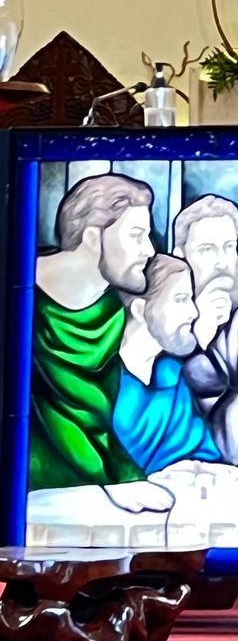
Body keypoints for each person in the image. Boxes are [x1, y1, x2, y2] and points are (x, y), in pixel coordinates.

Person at [31, 173, 157, 491]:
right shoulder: (24, 299)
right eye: (137, 236)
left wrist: (127, 480)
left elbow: (96, 423)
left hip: (90, 486)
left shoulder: (110, 312)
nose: (149, 250)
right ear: (92, 238)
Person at [174, 194, 238, 464]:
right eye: (207, 250)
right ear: (181, 257)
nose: (221, 262)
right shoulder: (162, 315)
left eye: (228, 247)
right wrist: (196, 340)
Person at [113, 254, 222, 475]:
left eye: (191, 299)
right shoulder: (103, 380)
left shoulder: (171, 372)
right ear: (140, 310)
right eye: (181, 299)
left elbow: (201, 451)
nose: (193, 312)